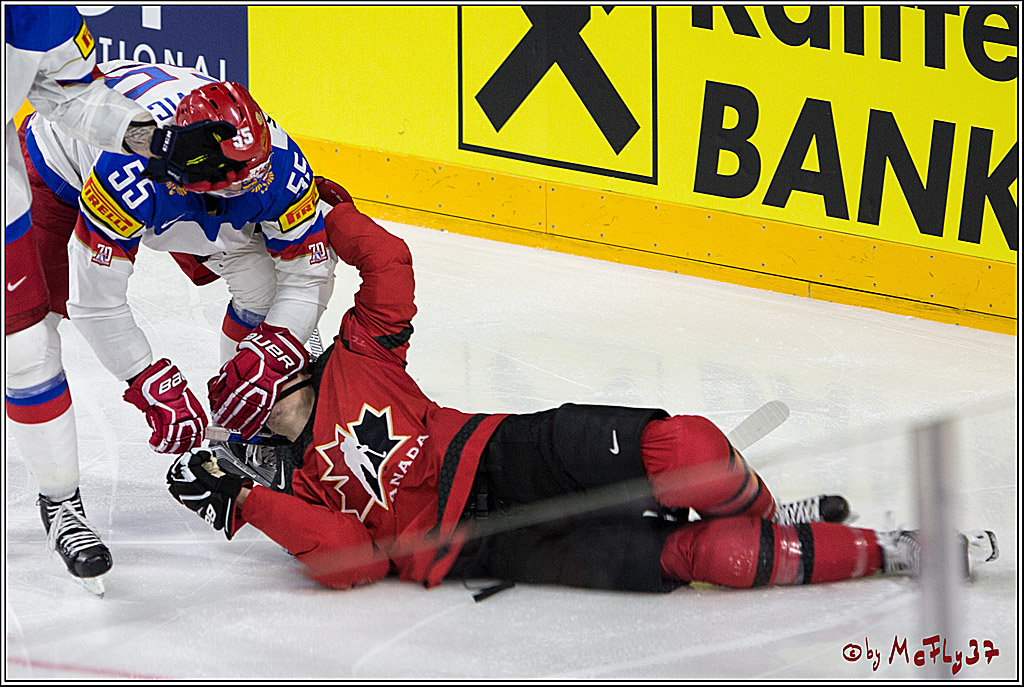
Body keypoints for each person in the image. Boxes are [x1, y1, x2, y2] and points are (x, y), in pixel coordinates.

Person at [166, 182, 999, 594]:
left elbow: (391, 264)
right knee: (695, 557)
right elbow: (348, 563)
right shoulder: (297, 481)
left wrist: (316, 204)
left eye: (274, 379)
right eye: (268, 392)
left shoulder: (356, 356)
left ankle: (758, 508)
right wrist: (246, 505)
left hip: (504, 449)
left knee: (690, 447)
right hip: (481, 548)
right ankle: (891, 551)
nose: (279, 386)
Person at [7, 48, 337, 590]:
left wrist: (273, 350)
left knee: (266, 282)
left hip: (179, 181)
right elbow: (97, 301)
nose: (253, 191)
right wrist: (147, 380)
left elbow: (307, 276)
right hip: (63, 165)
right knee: (31, 336)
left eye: (255, 178)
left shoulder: (276, 164)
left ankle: (244, 430)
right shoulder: (128, 176)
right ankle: (60, 499)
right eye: (235, 186)